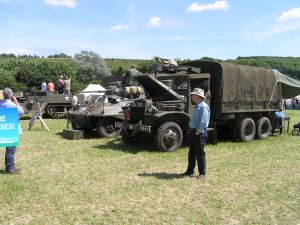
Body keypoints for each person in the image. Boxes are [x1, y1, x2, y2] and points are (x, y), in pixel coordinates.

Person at [181, 88, 210, 179]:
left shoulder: (203, 106)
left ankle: (202, 173)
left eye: (193, 95)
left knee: (200, 154)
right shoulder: (198, 105)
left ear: (197, 96)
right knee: (192, 153)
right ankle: (190, 171)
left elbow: (203, 122)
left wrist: (198, 132)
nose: (192, 96)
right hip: (194, 132)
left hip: (199, 133)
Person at [0, 88, 25, 174]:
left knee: (9, 149)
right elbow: (22, 113)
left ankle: (12, 166)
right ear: (11, 95)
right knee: (11, 150)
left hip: (4, 127)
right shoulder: (12, 105)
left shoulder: (1, 103)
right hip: (12, 128)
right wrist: (16, 102)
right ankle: (10, 168)